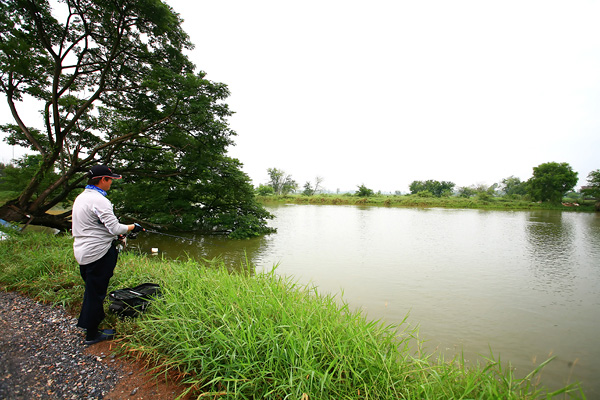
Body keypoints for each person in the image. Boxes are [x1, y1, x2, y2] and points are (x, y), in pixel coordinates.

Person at [71, 164, 144, 345]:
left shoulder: (82, 197)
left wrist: (117, 234)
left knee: (92, 290)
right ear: (103, 179)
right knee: (96, 293)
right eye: (110, 180)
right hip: (99, 253)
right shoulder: (100, 200)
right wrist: (134, 227)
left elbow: (95, 225)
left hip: (83, 251)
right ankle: (92, 334)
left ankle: (88, 325)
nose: (111, 183)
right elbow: (114, 227)